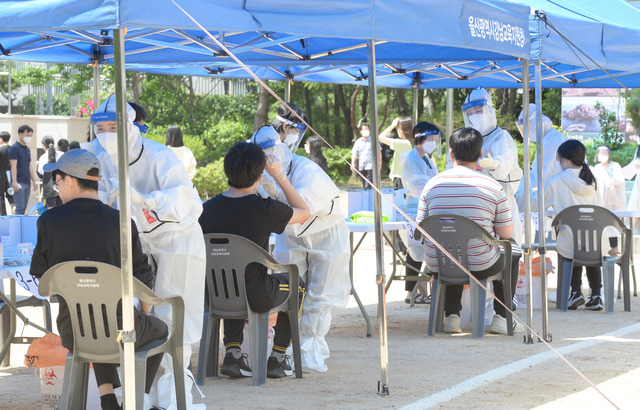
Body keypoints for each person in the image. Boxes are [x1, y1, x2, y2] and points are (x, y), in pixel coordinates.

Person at [89, 96, 206, 409]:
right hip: (135, 241)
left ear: (130, 126)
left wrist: (148, 200)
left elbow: (187, 204)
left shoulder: (159, 155)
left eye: (113, 127)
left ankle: (171, 397)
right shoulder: (96, 155)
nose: (105, 134)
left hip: (176, 239)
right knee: (133, 315)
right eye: (99, 127)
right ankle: (140, 393)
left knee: (175, 315)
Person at [30, 149, 168, 410]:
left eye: (57, 181)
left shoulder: (48, 221)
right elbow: (142, 279)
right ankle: (135, 400)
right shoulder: (122, 222)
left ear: (69, 180)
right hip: (121, 330)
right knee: (155, 329)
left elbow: (44, 281)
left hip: (73, 332)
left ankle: (107, 398)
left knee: (92, 316)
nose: (57, 188)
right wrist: (146, 313)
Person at [199, 142, 310, 379]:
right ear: (260, 176)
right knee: (297, 283)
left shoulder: (206, 210)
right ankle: (278, 356)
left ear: (227, 172)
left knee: (229, 276)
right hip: (256, 295)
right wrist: (279, 176)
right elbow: (304, 210)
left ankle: (233, 352)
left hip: (214, 294)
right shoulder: (265, 209)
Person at [253, 103, 351, 373]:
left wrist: (278, 180)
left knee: (321, 292)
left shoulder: (307, 172)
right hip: (291, 234)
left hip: (324, 233)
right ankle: (282, 351)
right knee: (288, 287)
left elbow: (301, 212)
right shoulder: (263, 174)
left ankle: (308, 350)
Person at [417, 127, 521, 334]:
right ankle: (502, 317)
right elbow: (507, 233)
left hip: (438, 263)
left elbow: (421, 229)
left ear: (450, 154)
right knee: (512, 248)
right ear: (481, 155)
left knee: (450, 248)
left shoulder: (431, 184)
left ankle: (452, 316)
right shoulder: (493, 186)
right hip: (481, 263)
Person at [531, 140, 604, 310]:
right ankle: (596, 295)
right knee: (587, 245)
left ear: (564, 160)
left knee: (570, 242)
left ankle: (576, 292)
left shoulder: (556, 181)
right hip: (595, 242)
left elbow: (535, 203)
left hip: (569, 242)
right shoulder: (592, 182)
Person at [462, 88, 523, 243]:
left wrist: (496, 164)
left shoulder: (501, 137)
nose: (473, 115)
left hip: (501, 204)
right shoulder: (469, 138)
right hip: (476, 204)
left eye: (478, 110)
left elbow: (505, 166)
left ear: (488, 110)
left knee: (505, 251)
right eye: (470, 112)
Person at [399, 121, 440, 304]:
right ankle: (412, 291)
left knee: (426, 250)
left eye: (434, 138)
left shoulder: (427, 159)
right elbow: (415, 184)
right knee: (414, 250)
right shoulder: (410, 158)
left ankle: (421, 284)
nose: (433, 141)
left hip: (429, 207)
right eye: (430, 137)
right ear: (419, 138)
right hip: (415, 208)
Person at [515, 103, 568, 202]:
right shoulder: (549, 138)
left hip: (561, 194)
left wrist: (517, 183)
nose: (527, 132)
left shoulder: (551, 141)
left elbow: (540, 174)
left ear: (535, 124)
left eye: (528, 127)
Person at [9, 125, 38, 215]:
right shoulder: (14, 148)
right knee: (20, 207)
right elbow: (13, 166)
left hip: (27, 182)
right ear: (20, 134)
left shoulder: (27, 149)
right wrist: (14, 182)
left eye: (30, 136)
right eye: (27, 135)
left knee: (24, 207)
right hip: (18, 182)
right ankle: (17, 227)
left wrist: (34, 181)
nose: (29, 137)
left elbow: (30, 166)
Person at [378, 117, 414, 189]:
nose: (398, 130)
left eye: (399, 128)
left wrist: (392, 126)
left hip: (401, 178)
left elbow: (380, 137)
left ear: (403, 130)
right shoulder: (411, 142)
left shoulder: (403, 144)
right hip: (407, 177)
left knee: (401, 200)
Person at [592, 145, 626, 210]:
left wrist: (611, 178)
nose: (603, 155)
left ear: (609, 154)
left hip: (615, 203)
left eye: (605, 153)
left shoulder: (615, 166)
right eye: (601, 153)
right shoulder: (597, 168)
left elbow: (620, 181)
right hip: (601, 203)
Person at [351, 122, 381, 189]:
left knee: (368, 185)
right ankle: (368, 196)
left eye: (367, 129)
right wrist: (352, 163)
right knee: (365, 185)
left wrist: (380, 162)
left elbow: (379, 152)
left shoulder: (373, 140)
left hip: (371, 166)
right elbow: (355, 153)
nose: (366, 131)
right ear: (361, 131)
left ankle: (368, 197)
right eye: (364, 130)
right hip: (362, 166)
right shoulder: (358, 142)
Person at [36, 136, 63, 209]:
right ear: (54, 144)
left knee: (51, 212)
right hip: (62, 187)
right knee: (62, 211)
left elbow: (40, 174)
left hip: (49, 188)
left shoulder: (43, 157)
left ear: (44, 146)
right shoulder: (62, 154)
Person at [0, 131, 14, 215]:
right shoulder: (13, 150)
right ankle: (14, 206)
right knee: (10, 195)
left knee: (0, 196)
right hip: (11, 177)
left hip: (1, 176)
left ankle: (3, 215)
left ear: (1, 139)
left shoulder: (0, 149)